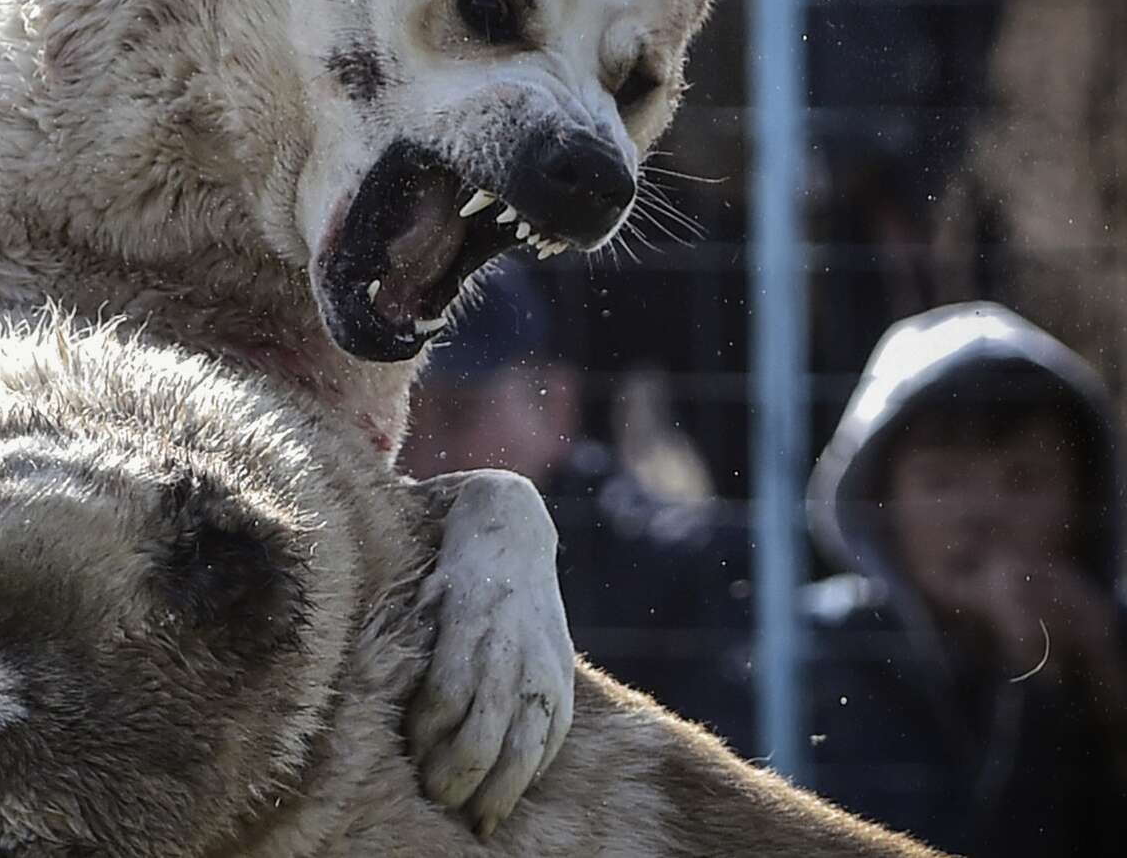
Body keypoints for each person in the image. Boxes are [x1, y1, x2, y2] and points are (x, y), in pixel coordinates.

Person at [803, 302, 1127, 857]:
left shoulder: (1113, 640)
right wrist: (1038, 685)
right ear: (881, 503)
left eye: (1022, 479)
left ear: (1085, 500)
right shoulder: (828, 655)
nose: (979, 514)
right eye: (939, 481)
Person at [400, 266, 754, 751]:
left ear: (555, 404)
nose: (427, 450)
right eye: (408, 414)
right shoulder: (379, 558)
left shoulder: (682, 572)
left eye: (459, 412)